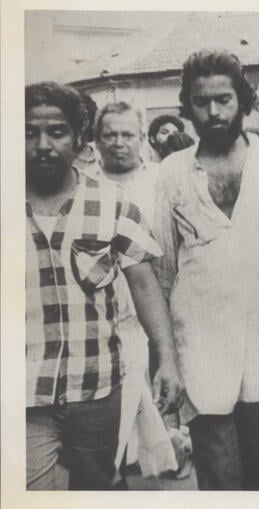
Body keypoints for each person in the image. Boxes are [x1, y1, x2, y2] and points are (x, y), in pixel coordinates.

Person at [152, 50, 259, 491]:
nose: (213, 112)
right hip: (200, 348)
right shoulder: (171, 173)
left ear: (243, 101)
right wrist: (166, 358)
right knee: (221, 476)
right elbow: (163, 275)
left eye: (223, 99)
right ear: (187, 108)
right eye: (201, 102)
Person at [25, 82, 183, 490]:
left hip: (97, 386)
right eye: (28, 132)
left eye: (56, 132)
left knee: (97, 486)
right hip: (23, 392)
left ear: (78, 138)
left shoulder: (113, 203)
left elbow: (146, 287)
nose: (43, 144)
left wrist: (167, 358)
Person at [90, 101, 179, 480]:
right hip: (109, 312)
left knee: (159, 386)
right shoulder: (86, 185)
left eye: (127, 135)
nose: (118, 143)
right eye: (109, 135)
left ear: (142, 139)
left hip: (160, 297)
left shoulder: (162, 180)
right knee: (122, 403)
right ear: (96, 140)